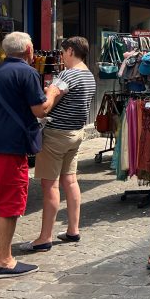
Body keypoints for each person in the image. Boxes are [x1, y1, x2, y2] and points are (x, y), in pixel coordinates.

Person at [0, 32, 58, 278]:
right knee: (10, 206)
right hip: (8, 150)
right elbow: (40, 110)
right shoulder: (27, 73)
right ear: (29, 50)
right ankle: (5, 261)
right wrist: (52, 92)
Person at [24, 37, 96, 252]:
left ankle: (45, 237)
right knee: (70, 181)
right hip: (75, 133)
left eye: (63, 52)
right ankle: (73, 230)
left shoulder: (67, 75)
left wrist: (47, 90)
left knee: (50, 185)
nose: (61, 56)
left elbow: (49, 102)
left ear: (71, 51)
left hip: (56, 134)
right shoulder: (89, 75)